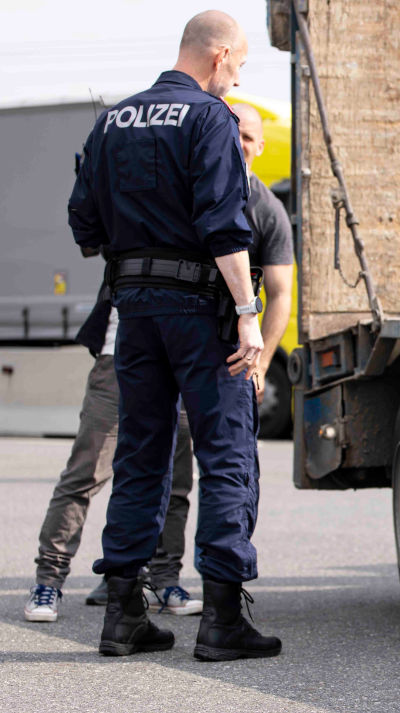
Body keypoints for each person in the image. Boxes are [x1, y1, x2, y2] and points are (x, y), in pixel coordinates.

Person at [67, 10, 280, 660]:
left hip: (135, 313)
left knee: (140, 454)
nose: (235, 79)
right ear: (218, 58)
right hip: (200, 313)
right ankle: (221, 621)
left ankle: (123, 614)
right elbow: (223, 223)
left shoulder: (113, 121)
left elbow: (84, 227)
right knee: (225, 455)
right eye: (239, 66)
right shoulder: (209, 117)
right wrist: (247, 309)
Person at [22, 275, 201, 623]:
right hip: (118, 356)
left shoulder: (202, 220)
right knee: (84, 475)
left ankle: (164, 580)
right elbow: (90, 232)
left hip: (180, 357)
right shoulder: (129, 219)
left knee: (175, 480)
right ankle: (48, 582)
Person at [229, 103, 294, 398]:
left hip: (234, 352)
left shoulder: (268, 210)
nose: (238, 142)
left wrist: (261, 365)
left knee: (229, 443)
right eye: (232, 132)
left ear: (260, 147)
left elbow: (279, 293)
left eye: (248, 137)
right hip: (183, 347)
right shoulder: (187, 192)